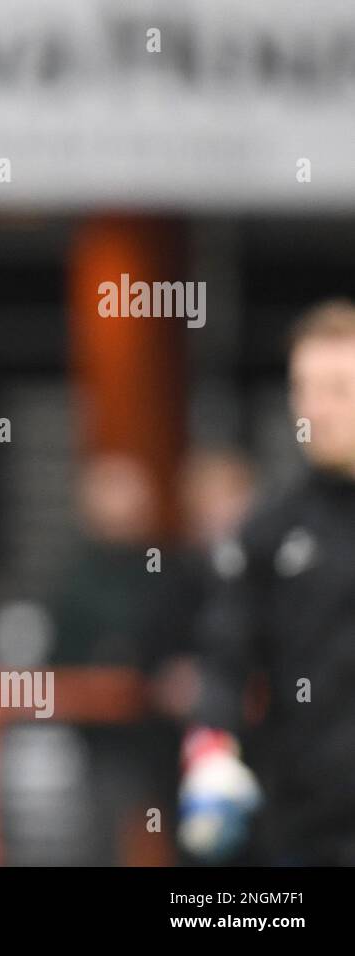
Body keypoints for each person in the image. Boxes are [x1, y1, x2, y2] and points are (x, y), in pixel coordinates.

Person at [180, 299, 355, 865]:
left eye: (337, 389)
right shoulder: (270, 530)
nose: (315, 409)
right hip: (303, 828)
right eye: (302, 388)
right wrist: (211, 753)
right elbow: (225, 656)